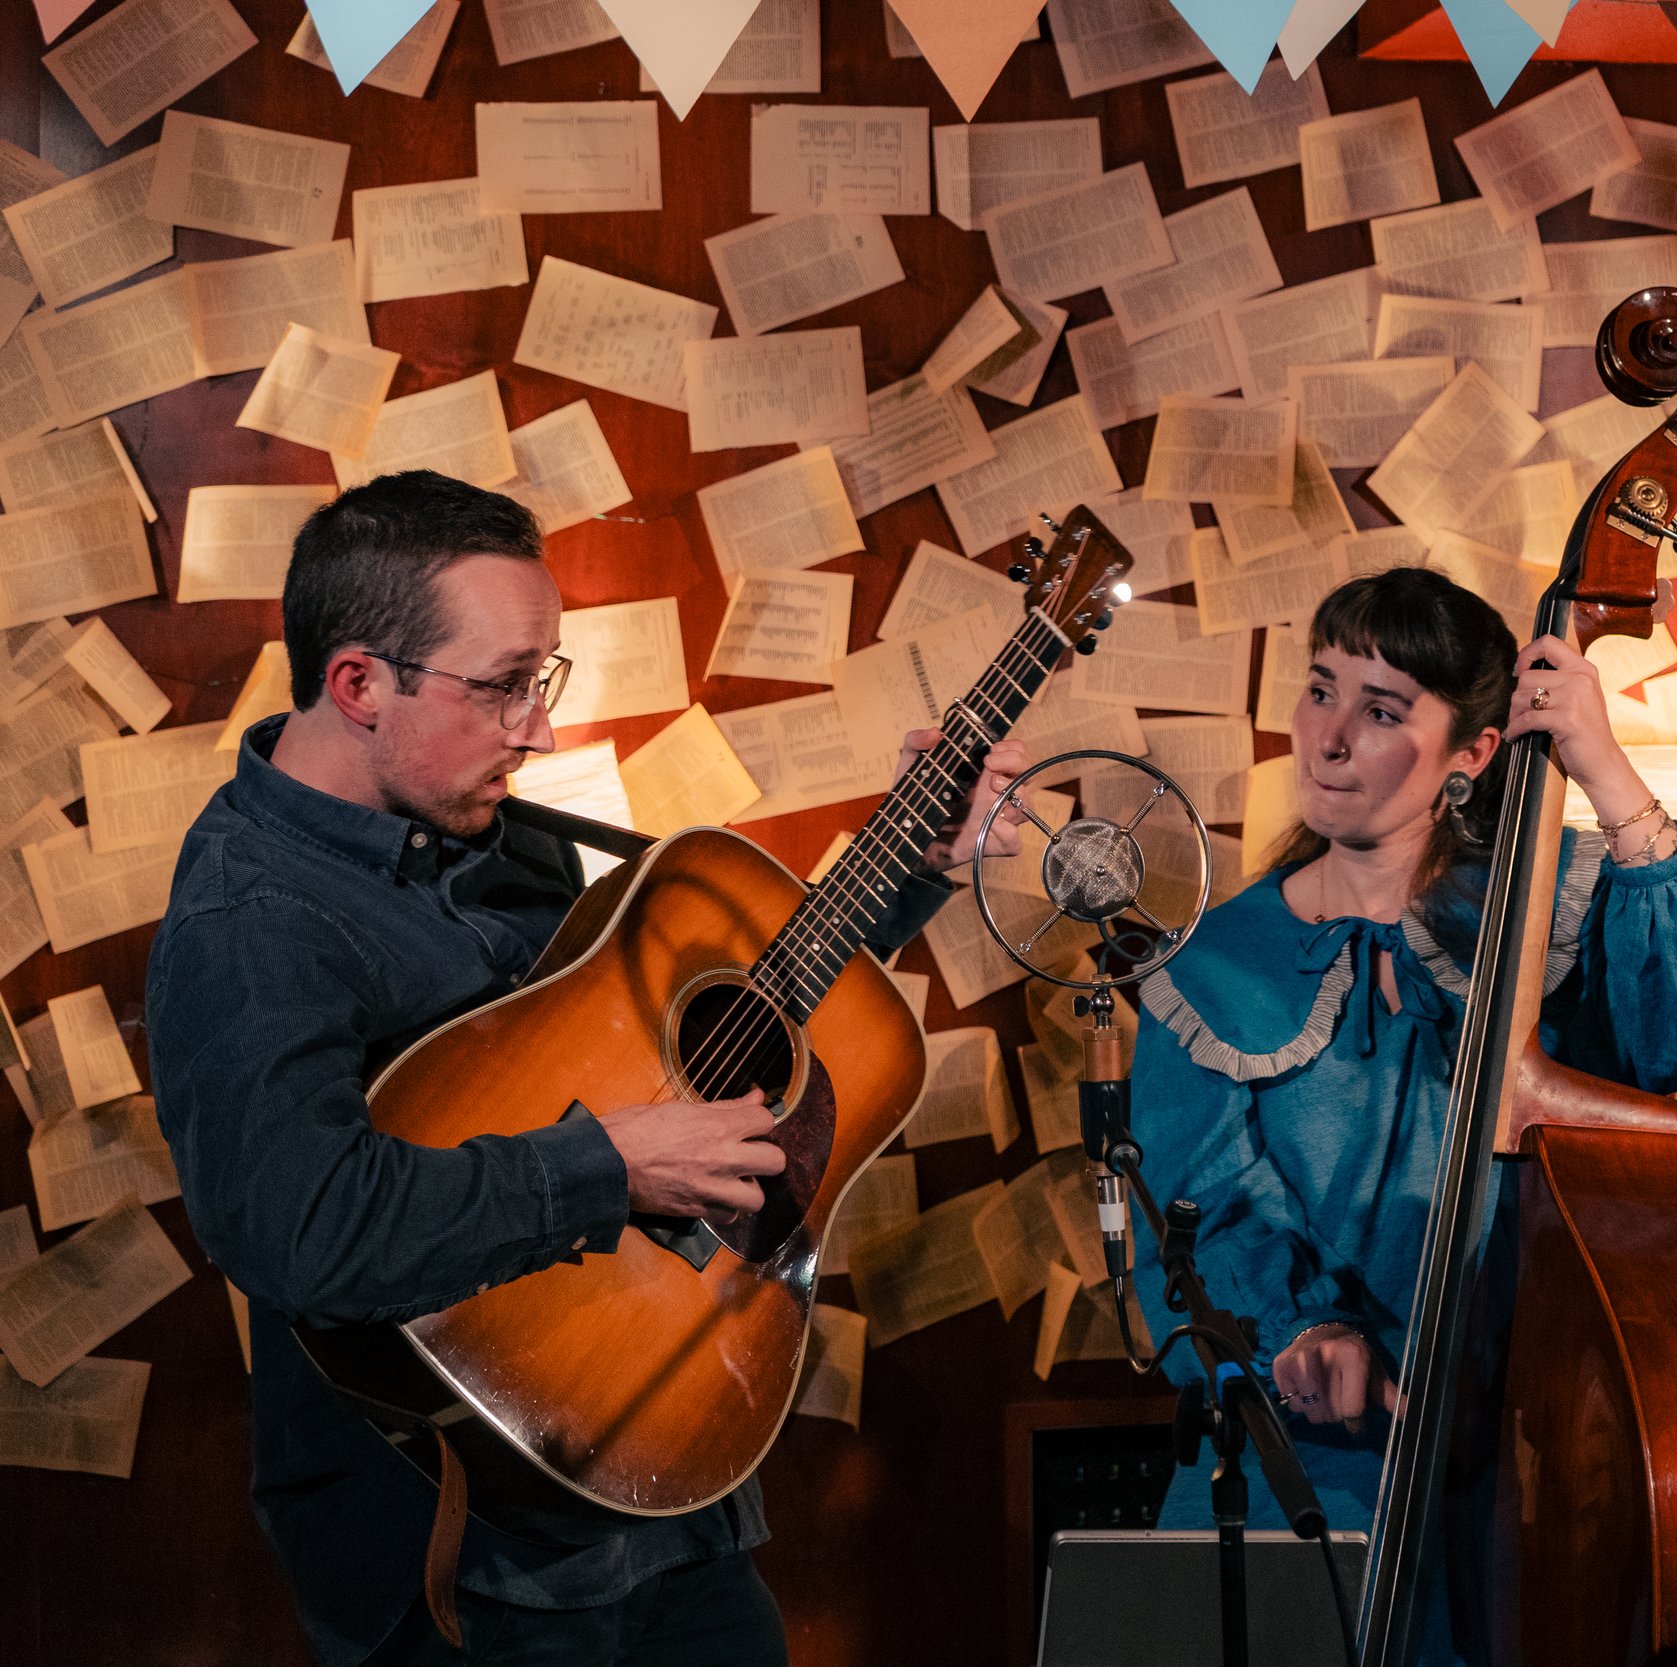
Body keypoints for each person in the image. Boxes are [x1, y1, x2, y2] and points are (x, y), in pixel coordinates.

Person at [147, 471, 1031, 1667]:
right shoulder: (250, 917)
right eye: (506, 685)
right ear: (358, 682)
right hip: (464, 1545)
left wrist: (914, 868)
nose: (543, 728)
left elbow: (686, 1044)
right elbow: (301, 1229)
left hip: (671, 1481)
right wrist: (605, 1168)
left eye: (542, 681)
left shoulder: (495, 830)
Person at [1128, 566, 1677, 1662]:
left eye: (1383, 710)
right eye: (1320, 688)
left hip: (1550, 1450)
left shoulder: (1553, 906)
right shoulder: (1216, 964)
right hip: (1319, 1461)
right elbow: (1198, 1222)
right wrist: (1300, 1331)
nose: (1329, 736)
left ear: (1471, 755)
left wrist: (1600, 762)